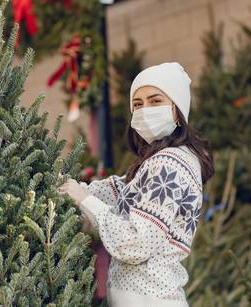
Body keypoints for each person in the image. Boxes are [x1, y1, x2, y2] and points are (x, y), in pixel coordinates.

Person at [58, 62, 214, 307]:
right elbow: (118, 191)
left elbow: (136, 243)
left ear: (177, 110)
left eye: (155, 101)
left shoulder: (169, 165)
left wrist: (84, 199)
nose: (144, 111)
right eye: (138, 105)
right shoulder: (160, 163)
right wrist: (67, 187)